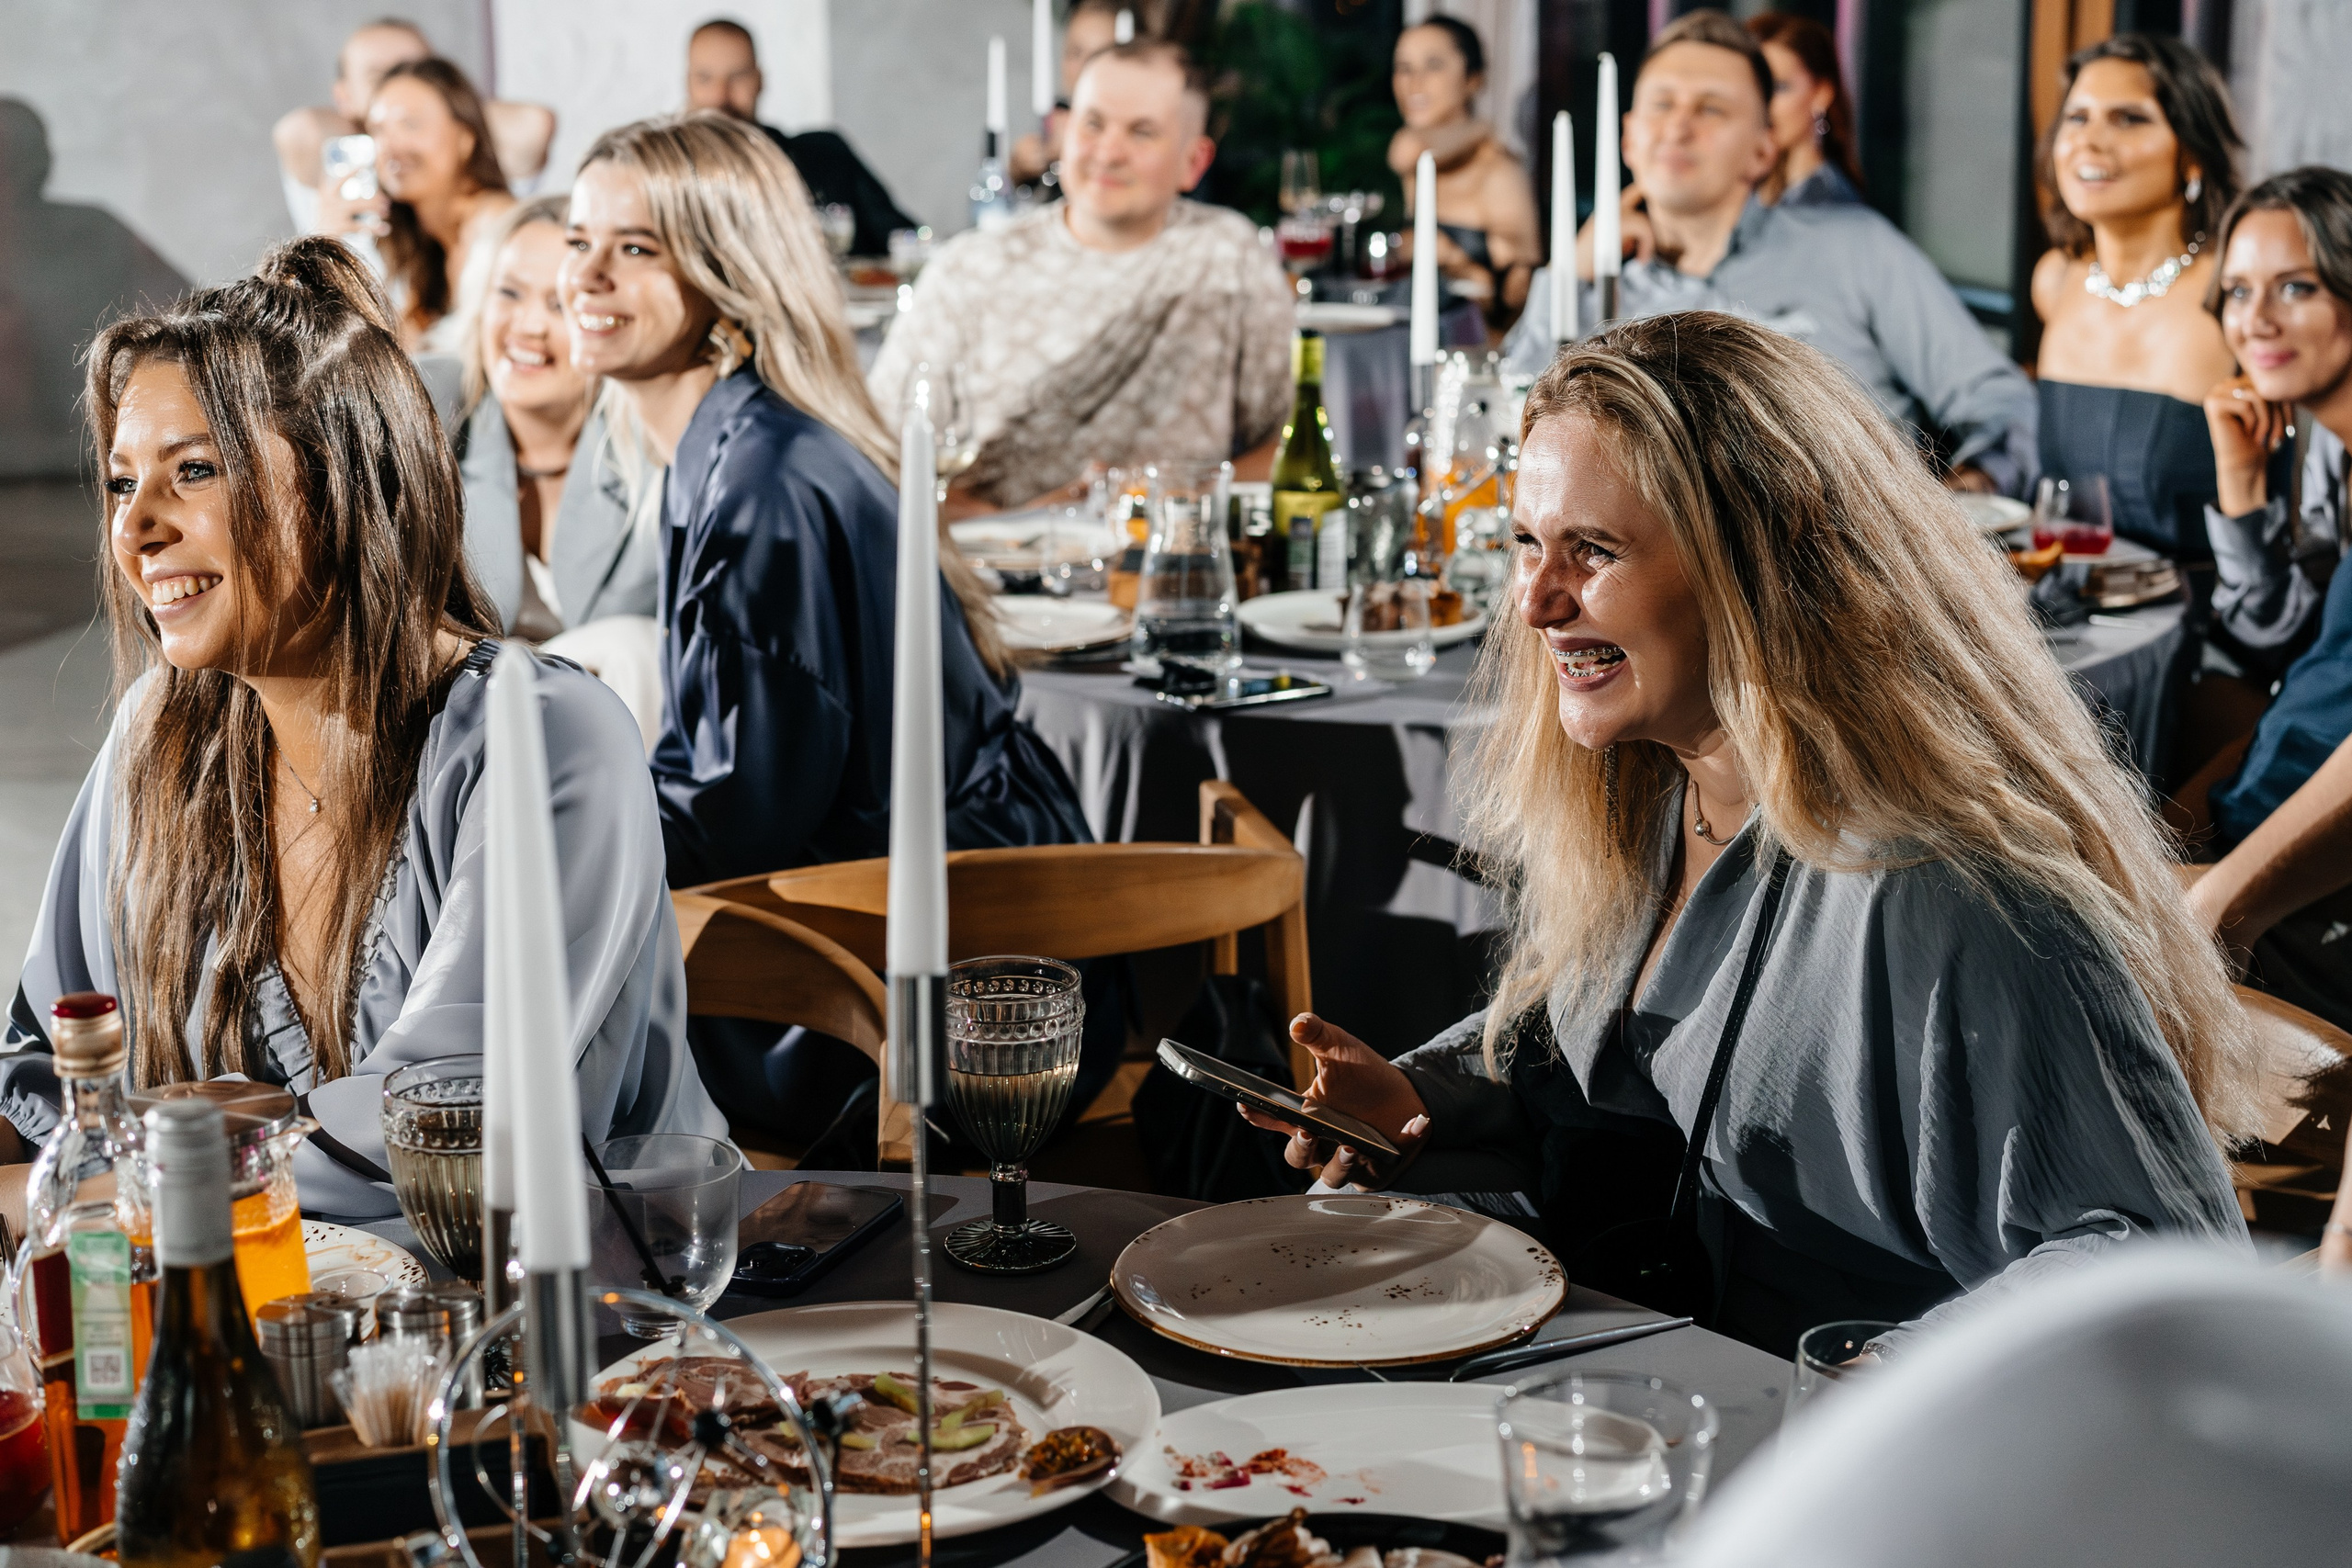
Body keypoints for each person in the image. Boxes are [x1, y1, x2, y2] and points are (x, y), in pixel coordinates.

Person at [1240, 310, 2254, 1357]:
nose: (1537, 602)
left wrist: (1876, 1382)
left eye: (1593, 551)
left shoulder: (1942, 891)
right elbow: (1616, 1075)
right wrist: (1429, 1095)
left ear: (1763, 565)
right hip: (1617, 1388)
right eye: (1526, 545)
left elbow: (2156, 1261)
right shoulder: (1642, 793)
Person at [1, 238, 723, 1220]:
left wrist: (93, 1188)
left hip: (568, 1332)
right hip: (253, 1323)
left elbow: (443, 1132)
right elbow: (50, 1059)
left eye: (196, 471)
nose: (135, 529)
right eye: (124, 483)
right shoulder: (158, 737)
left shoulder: (542, 740)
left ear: (342, 485)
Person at [560, 112, 1089, 888]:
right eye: (578, 241)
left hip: (948, 929)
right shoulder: (742, 442)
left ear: (728, 272)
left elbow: (734, 822)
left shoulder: (760, 488)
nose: (586, 274)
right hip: (905, 885)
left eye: (636, 247)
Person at [1503, 10, 2037, 498]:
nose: (1679, 125)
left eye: (1711, 108)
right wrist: (1566, 273)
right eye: (1662, 103)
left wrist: (1971, 493)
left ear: (1763, 148)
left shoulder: (1855, 251)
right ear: (1628, 138)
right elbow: (1512, 433)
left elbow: (1998, 399)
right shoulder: (1595, 282)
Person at [870, 39, 1295, 511]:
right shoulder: (970, 267)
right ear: (1062, 131)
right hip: (986, 563)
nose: (1109, 152)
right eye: (1093, 123)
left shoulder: (1226, 257)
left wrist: (1176, 503)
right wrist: (1008, 527)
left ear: (1193, 162)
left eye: (1142, 132)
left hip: (1163, 564)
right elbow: (877, 455)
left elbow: (1289, 448)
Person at [2177, 168, 2352, 1032]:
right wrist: (2242, 489)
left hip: (2311, 895)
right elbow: (2297, 654)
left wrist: (2221, 904)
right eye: (2240, 291)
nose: (2258, 320)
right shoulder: (2332, 451)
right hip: (2254, 824)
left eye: (2297, 288)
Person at [414, 197, 666, 745]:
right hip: (468, 741)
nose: (527, 327)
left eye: (558, 304)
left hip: (626, 747)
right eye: (509, 293)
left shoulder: (656, 441)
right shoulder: (429, 411)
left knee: (632, 645)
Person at [2031, 34, 2243, 558]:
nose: (2089, 141)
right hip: (2075, 618)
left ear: (2193, 154)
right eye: (2077, 117)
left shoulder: (2238, 290)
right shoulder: (2054, 281)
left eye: (2129, 118)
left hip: (2210, 624)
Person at [272, 18, 553, 236]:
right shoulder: (342, 174)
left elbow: (533, 124)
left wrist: (452, 110)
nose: (399, 87)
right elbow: (299, 131)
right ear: (343, 97)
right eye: (380, 77)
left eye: (416, 72)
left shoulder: (487, 212)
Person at [685, 18, 914, 259]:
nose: (721, 96)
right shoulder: (660, 175)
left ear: (759, 81)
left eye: (738, 76)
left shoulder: (825, 156)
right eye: (705, 78)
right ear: (688, 84)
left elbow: (905, 240)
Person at [1389, 16, 1541, 336]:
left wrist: (1451, 257)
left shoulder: (1499, 171)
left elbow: (1519, 305)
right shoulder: (1420, 167)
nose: (1413, 82)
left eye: (1433, 65)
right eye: (1403, 67)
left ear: (1473, 79)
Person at [1747, 13, 1861, 208]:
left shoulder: (1829, 204)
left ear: (1822, 94)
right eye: (1753, 88)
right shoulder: (1748, 192)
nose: (1762, 104)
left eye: (1779, 87)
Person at [1009, 0, 1125, 187]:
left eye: (1099, 54)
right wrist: (1019, 169)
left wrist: (1075, 143)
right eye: (1075, 53)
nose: (1084, 66)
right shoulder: (1050, 117)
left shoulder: (1129, 125)